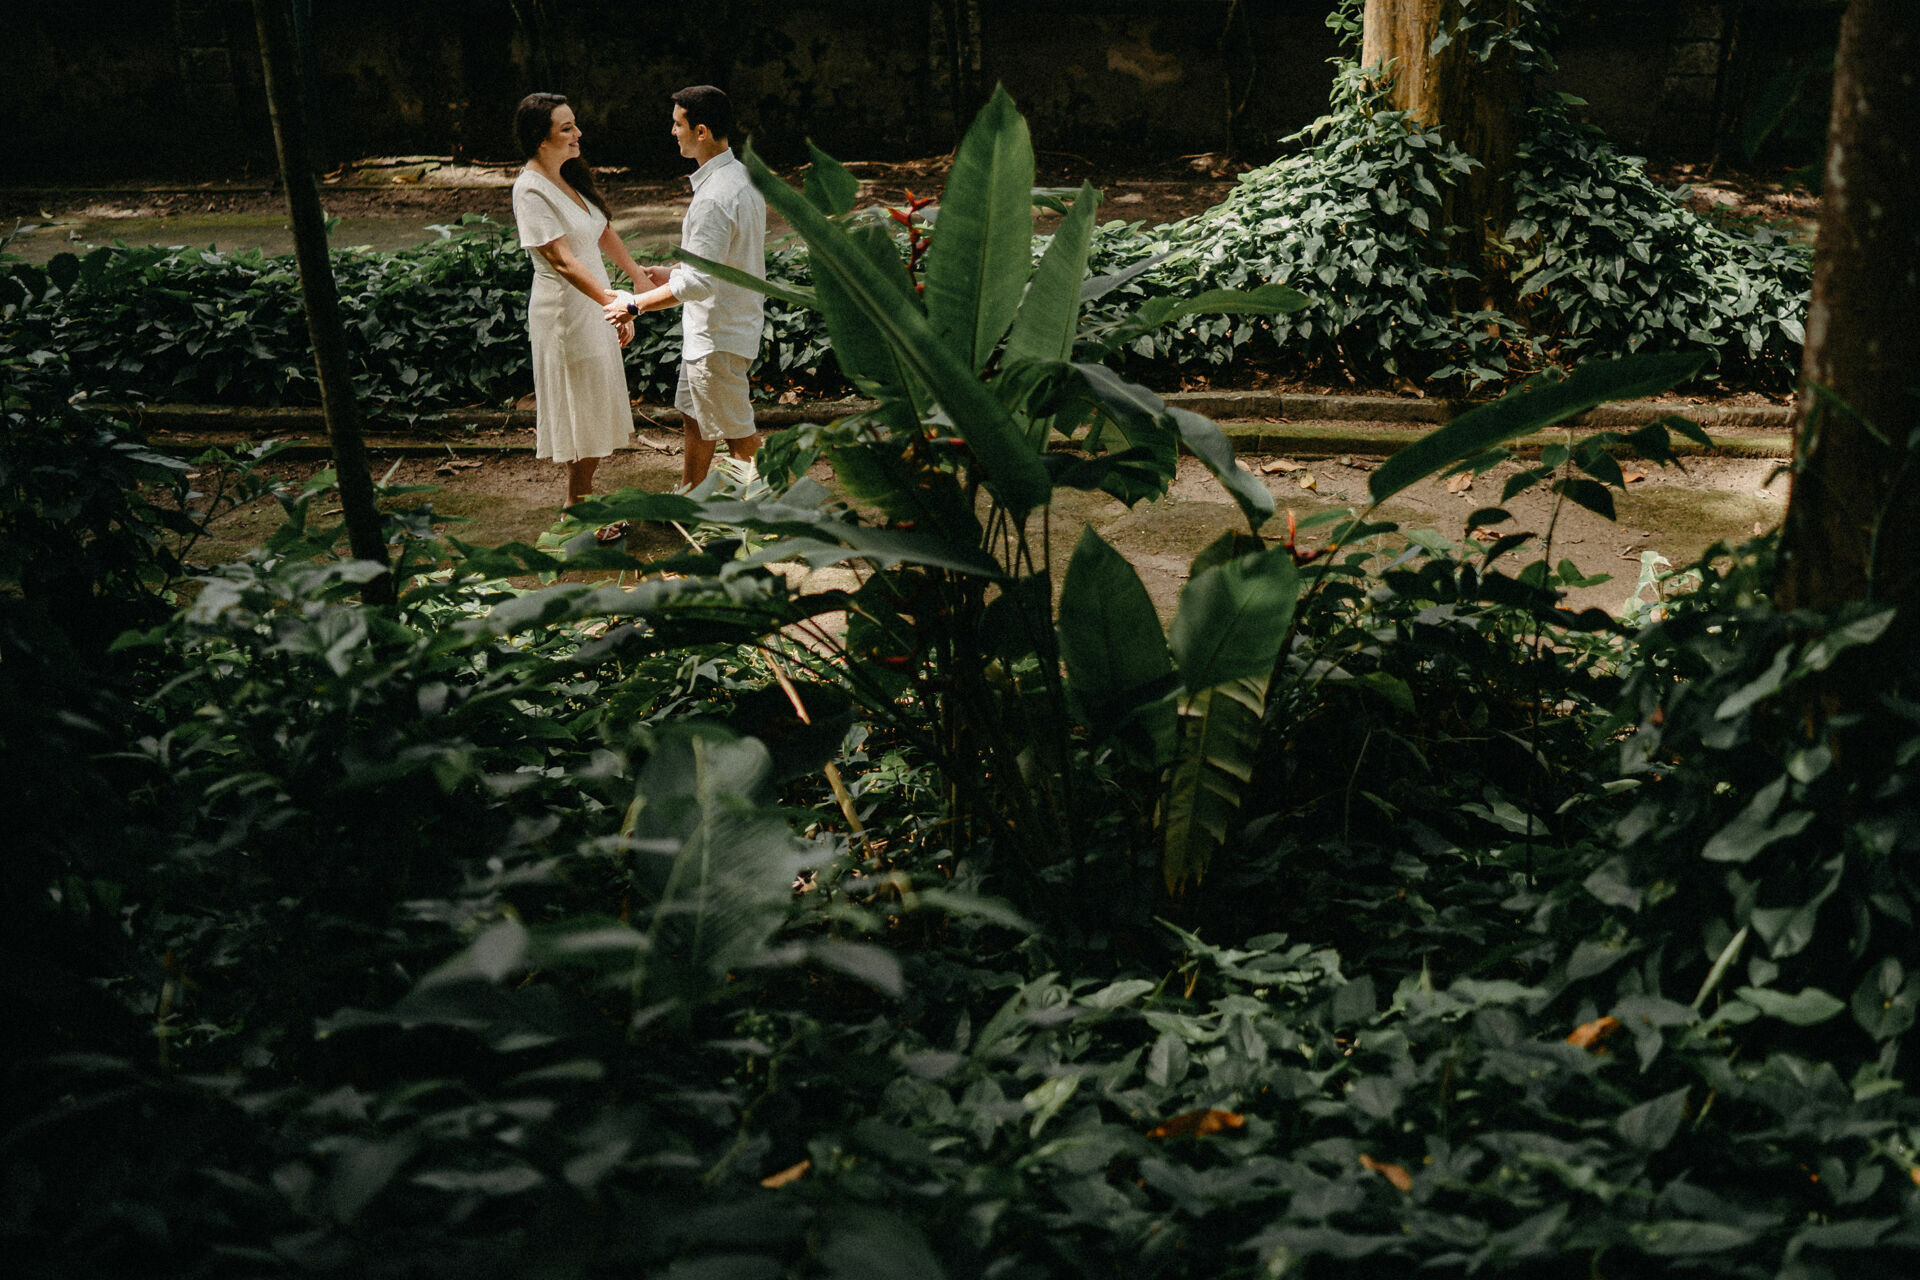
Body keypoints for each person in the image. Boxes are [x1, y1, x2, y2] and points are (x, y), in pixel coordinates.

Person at [604, 85, 766, 489]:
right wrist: (669, 269)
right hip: (722, 328)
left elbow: (697, 283)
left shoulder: (713, 198)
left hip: (717, 336)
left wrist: (635, 305)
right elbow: (720, 260)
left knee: (739, 435)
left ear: (702, 131)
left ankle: (773, 512)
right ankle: (691, 495)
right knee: (695, 418)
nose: (672, 131)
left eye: (678, 123)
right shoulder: (740, 177)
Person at [510, 92, 649, 509]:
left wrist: (639, 281)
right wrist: (615, 304)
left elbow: (601, 231)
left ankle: (583, 498)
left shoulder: (569, 175)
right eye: (566, 128)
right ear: (540, 138)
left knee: (595, 401)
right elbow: (562, 262)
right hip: (565, 313)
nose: (578, 133)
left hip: (593, 301)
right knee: (580, 405)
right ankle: (578, 502)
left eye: (575, 124)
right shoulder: (530, 189)